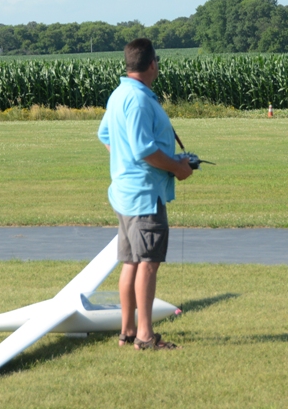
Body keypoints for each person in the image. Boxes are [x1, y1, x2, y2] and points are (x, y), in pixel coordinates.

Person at [97, 38, 193, 351]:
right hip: (145, 195)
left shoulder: (119, 94)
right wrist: (177, 168)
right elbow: (145, 150)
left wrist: (123, 161)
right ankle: (145, 335)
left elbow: (105, 135)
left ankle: (127, 331)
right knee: (148, 263)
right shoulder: (138, 100)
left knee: (131, 262)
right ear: (152, 64)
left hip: (126, 192)